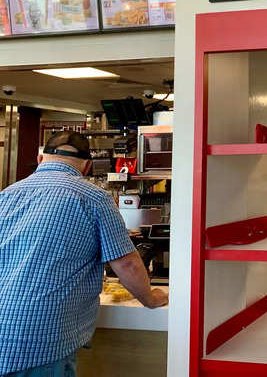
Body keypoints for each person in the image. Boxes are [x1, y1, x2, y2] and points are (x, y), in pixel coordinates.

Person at [0, 131, 167, 376]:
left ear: (39, 158)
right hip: (42, 338)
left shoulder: (6, 195)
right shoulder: (94, 198)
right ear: (87, 166)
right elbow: (127, 264)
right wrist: (150, 299)